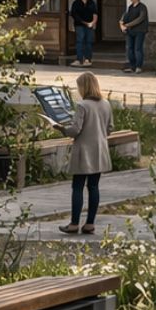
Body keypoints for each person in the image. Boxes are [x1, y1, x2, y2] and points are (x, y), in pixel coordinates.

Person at [57, 72, 113, 235]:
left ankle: (74, 223)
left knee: (78, 186)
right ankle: (90, 223)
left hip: (84, 151)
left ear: (84, 87)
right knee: (94, 186)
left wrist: (62, 129)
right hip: (100, 150)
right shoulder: (106, 104)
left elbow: (75, 130)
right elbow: (110, 128)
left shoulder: (82, 105)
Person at [69, 0, 100, 67]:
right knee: (80, 41)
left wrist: (93, 23)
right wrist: (85, 23)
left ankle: (88, 59)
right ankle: (79, 59)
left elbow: (95, 14)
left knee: (88, 42)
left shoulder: (91, 3)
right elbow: (74, 15)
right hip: (79, 25)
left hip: (90, 25)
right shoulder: (76, 3)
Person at [119, 0, 150, 71]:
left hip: (140, 31)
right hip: (130, 31)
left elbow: (140, 19)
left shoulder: (142, 7)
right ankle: (132, 66)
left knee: (137, 48)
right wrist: (122, 24)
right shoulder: (130, 7)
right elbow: (125, 16)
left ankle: (138, 66)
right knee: (130, 49)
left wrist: (128, 25)